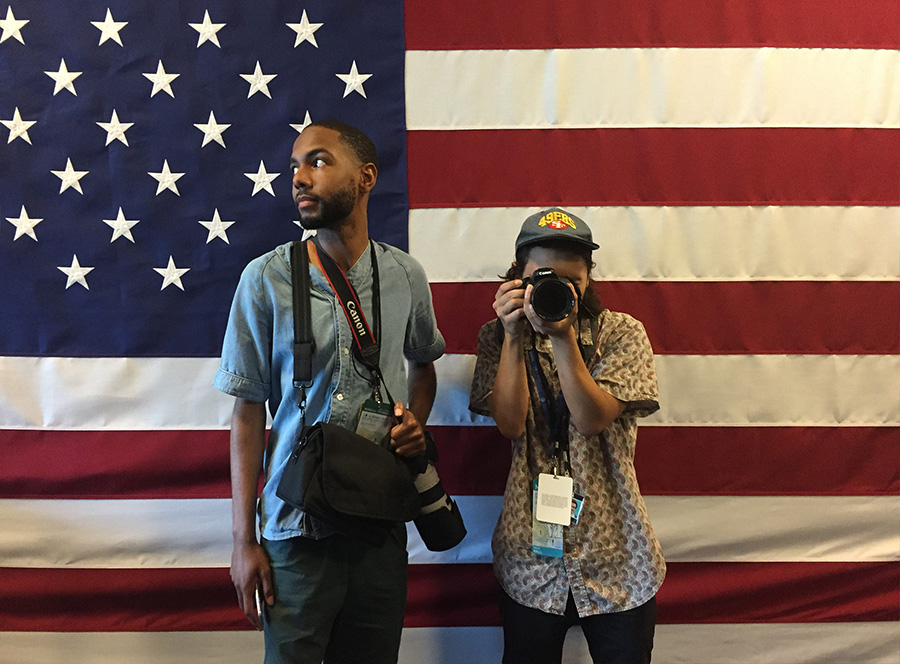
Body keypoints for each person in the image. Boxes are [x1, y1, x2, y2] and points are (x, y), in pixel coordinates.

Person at [214, 120, 446, 664]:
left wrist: (416, 420)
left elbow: (425, 365)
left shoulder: (405, 276)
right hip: (296, 532)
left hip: (379, 523)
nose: (298, 178)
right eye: (294, 166)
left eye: (317, 162)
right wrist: (243, 541)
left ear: (365, 178)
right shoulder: (264, 278)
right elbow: (247, 412)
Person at [469, 208, 665, 664]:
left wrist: (562, 337)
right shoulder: (495, 338)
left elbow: (592, 419)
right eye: (542, 277)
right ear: (519, 276)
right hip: (529, 562)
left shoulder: (622, 333)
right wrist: (515, 336)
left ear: (588, 279)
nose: (556, 289)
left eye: (571, 282)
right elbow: (510, 425)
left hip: (618, 556)